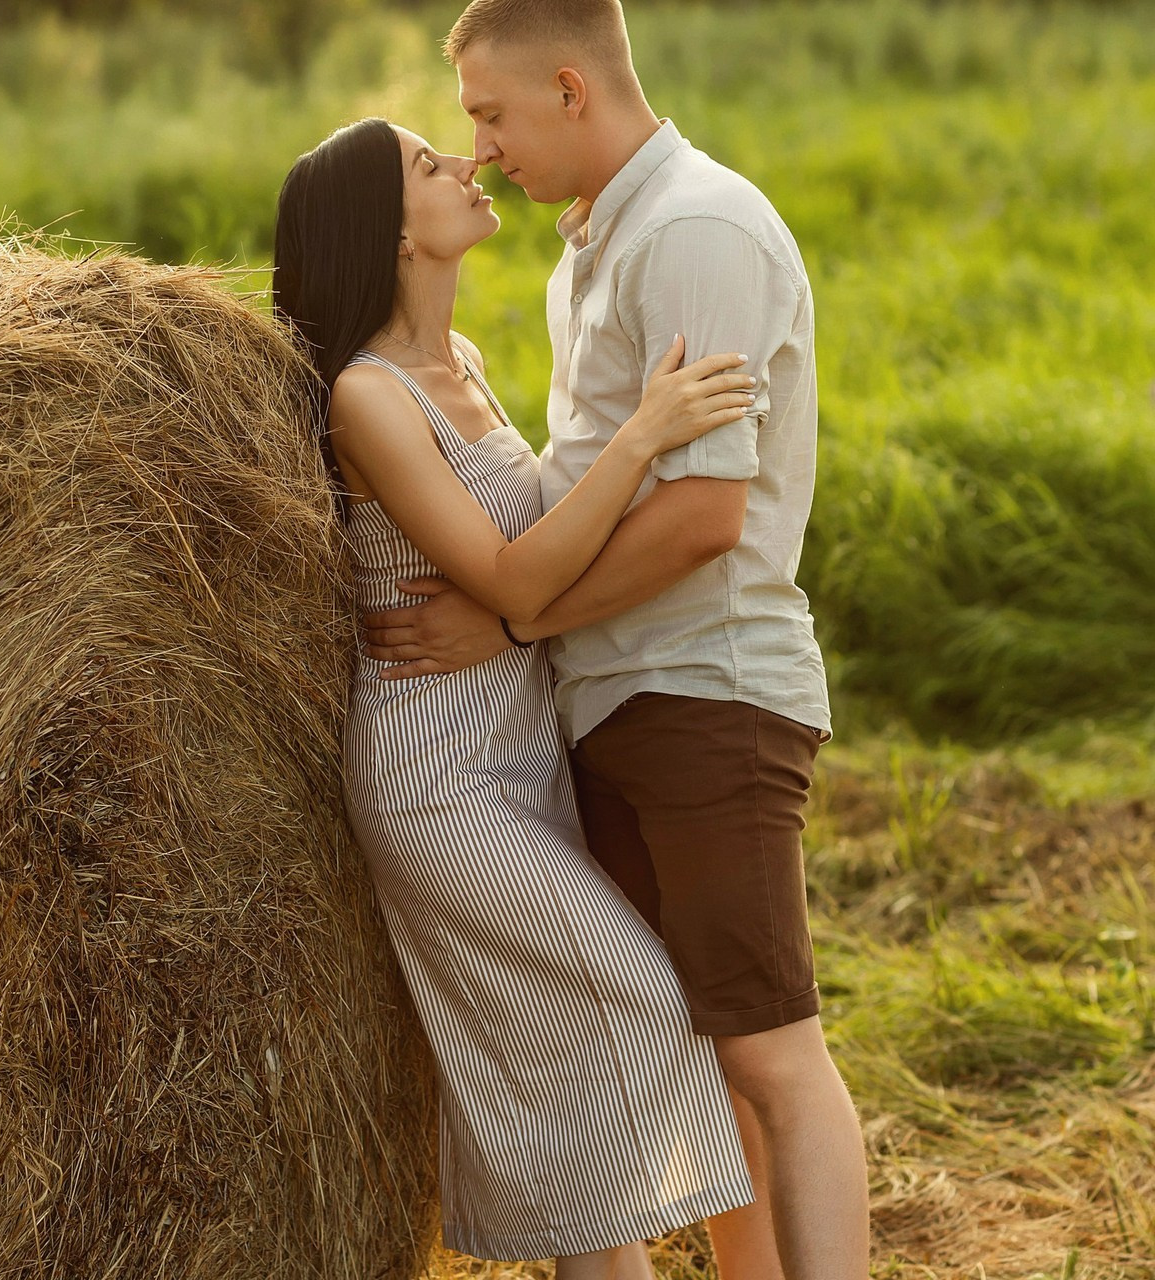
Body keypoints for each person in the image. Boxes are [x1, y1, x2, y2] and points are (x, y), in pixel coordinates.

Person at [360, 3, 873, 1279]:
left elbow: (701, 518)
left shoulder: (692, 230)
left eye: (490, 114)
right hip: (613, 700)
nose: (478, 149)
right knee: (708, 1050)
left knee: (769, 1051)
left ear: (572, 89)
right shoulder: (583, 251)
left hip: (702, 687)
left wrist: (516, 615)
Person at [273, 116, 765, 1278]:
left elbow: (523, 565)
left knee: (566, 1067)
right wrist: (642, 435)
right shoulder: (368, 398)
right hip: (437, 783)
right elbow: (514, 573)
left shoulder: (469, 366)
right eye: (426, 163)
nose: (466, 161)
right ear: (389, 231)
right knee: (640, 994)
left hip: (521, 749)